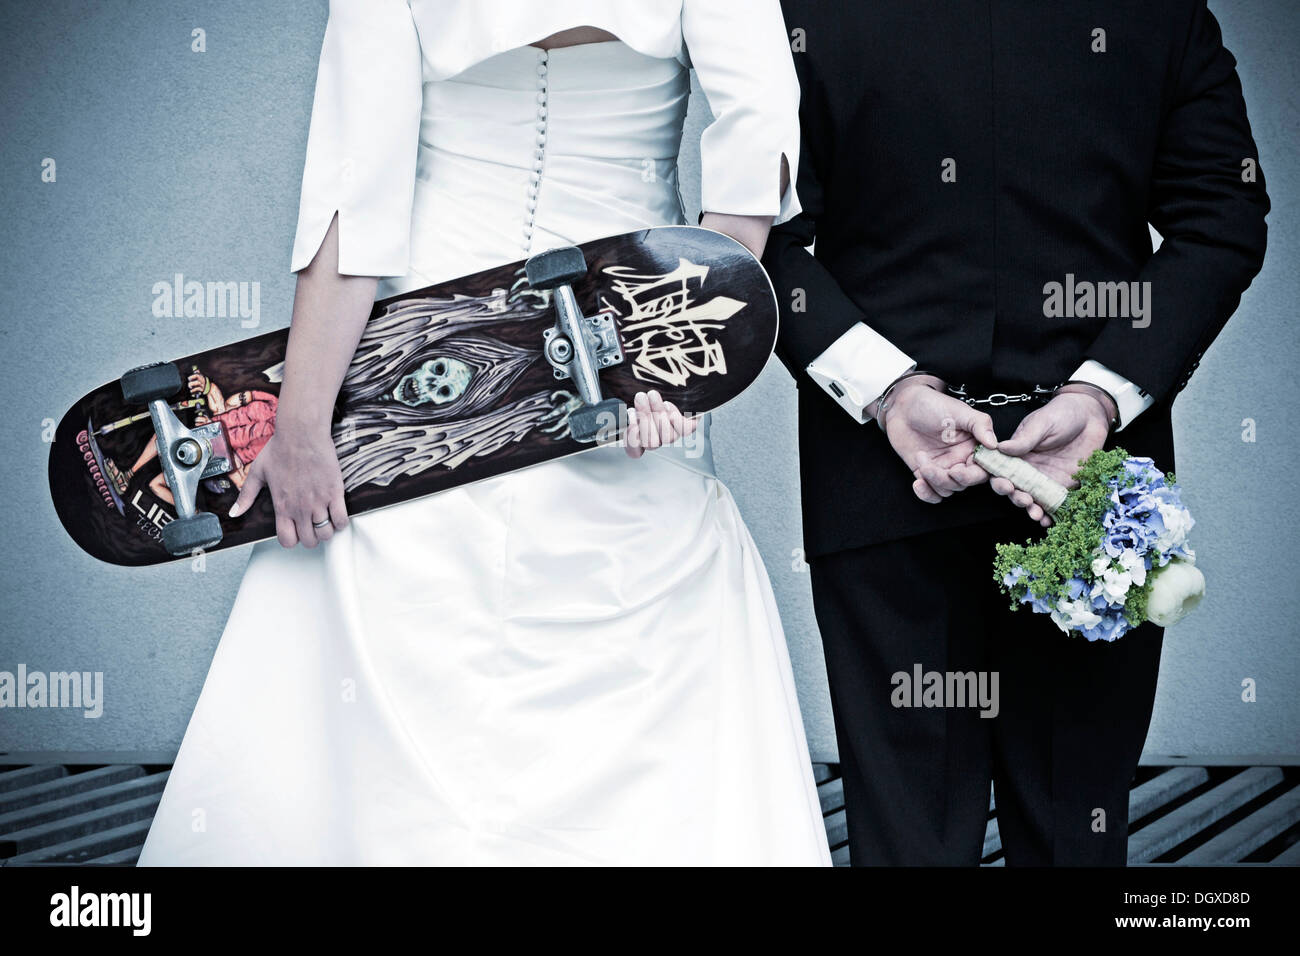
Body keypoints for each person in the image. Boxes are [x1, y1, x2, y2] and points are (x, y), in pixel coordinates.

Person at [139, 0, 830, 866]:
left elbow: (357, 198)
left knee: (380, 622)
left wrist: (308, 425)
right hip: (624, 325)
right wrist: (684, 353)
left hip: (426, 348)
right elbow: (758, 133)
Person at [763, 0, 1268, 865]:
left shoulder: (807, 13)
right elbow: (1224, 214)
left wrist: (886, 390)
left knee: (906, 835)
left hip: (887, 472)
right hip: (1090, 476)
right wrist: (1104, 394)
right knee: (1078, 826)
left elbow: (758, 234)